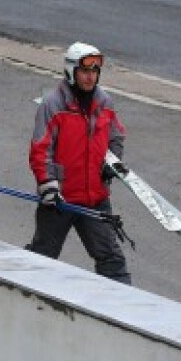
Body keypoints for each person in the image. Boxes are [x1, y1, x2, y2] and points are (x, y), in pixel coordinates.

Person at [27, 41, 131, 284]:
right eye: (84, 71)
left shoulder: (104, 102)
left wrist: (112, 164)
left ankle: (123, 304)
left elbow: (116, 136)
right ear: (71, 71)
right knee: (42, 258)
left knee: (112, 260)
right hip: (59, 200)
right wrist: (47, 183)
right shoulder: (53, 104)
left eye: (95, 71)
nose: (90, 77)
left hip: (95, 199)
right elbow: (40, 149)